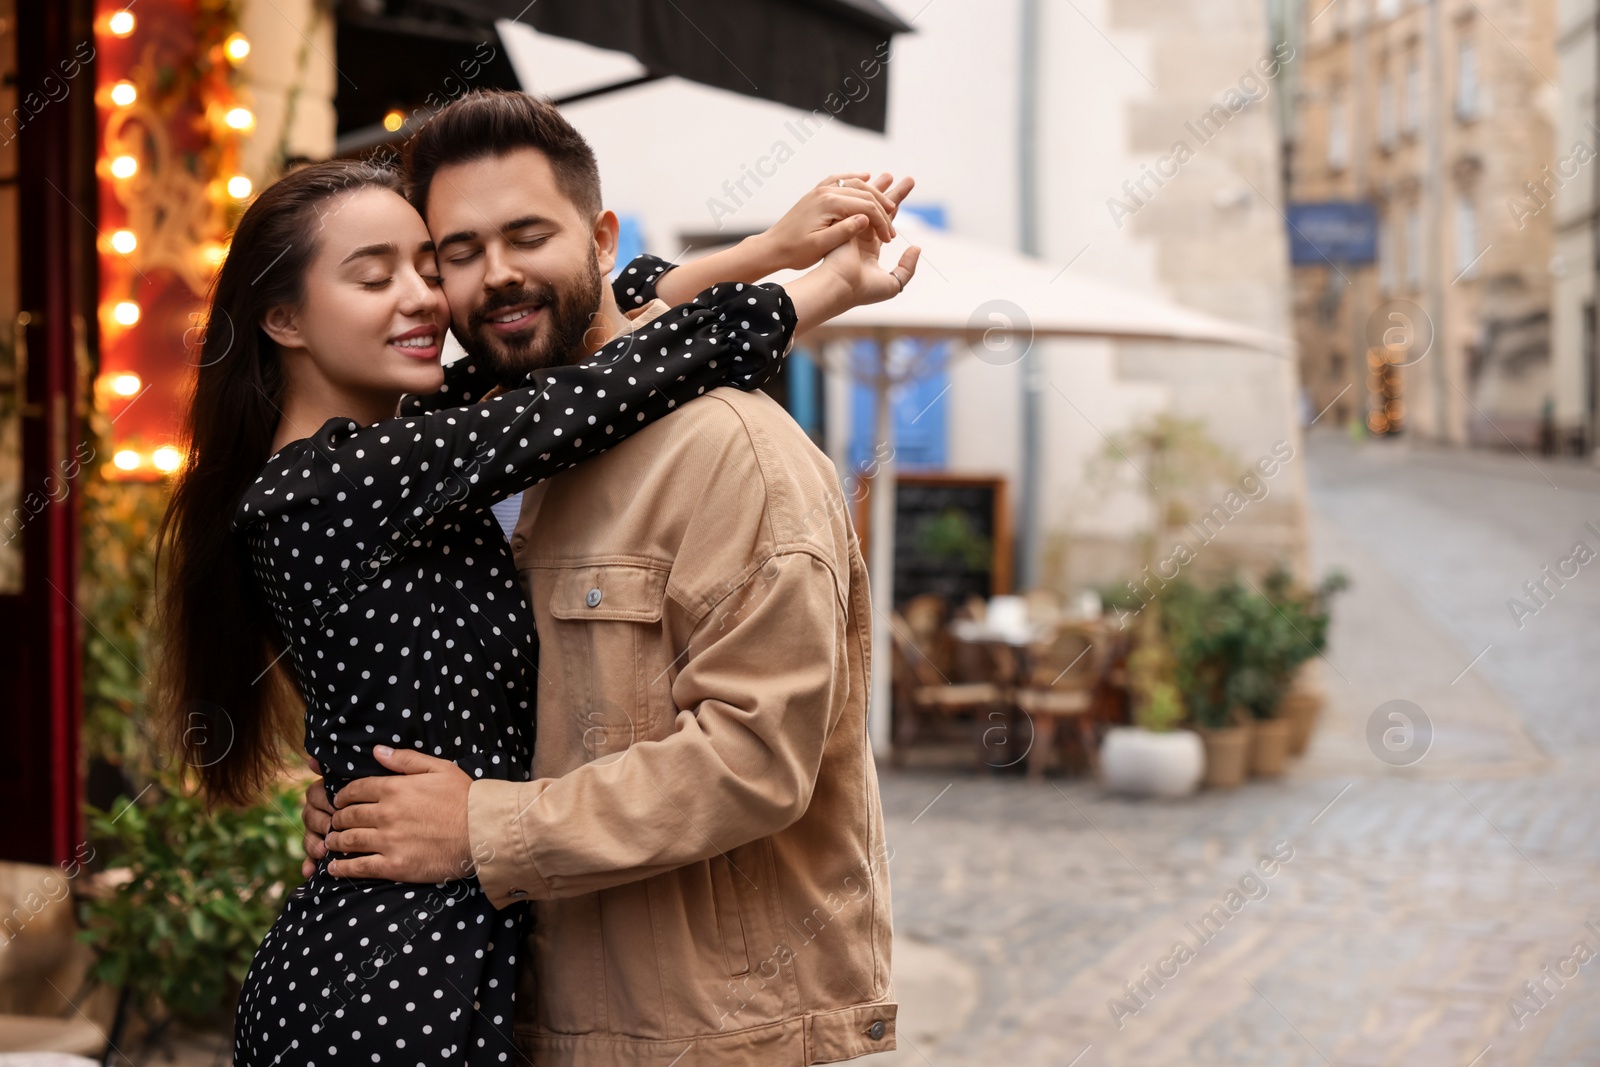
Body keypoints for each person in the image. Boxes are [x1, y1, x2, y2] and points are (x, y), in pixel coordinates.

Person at [154, 135, 911, 1065]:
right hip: (389, 982)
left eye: (426, 266)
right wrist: (809, 294)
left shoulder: (413, 437)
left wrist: (763, 253)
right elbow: (596, 390)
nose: (427, 296)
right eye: (375, 274)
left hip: (459, 953)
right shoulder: (338, 481)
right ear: (283, 320)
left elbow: (604, 327)